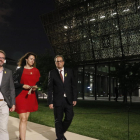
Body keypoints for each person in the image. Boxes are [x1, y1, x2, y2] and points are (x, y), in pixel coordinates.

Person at [48, 55, 77, 140]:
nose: (59, 62)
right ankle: (60, 137)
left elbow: (74, 86)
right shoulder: (52, 73)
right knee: (58, 120)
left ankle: (60, 133)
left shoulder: (70, 71)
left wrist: (75, 98)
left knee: (69, 117)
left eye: (60, 61)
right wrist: (50, 101)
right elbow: (50, 89)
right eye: (57, 61)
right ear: (55, 63)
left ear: (63, 62)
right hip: (57, 100)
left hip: (68, 100)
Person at [13, 52, 40, 140]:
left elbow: (37, 83)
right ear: (26, 59)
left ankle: (21, 138)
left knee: (25, 119)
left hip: (31, 96)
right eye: (31, 59)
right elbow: (13, 82)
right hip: (21, 95)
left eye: (34, 59)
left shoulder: (36, 70)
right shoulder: (20, 70)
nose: (32, 61)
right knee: (23, 118)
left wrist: (35, 87)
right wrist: (22, 85)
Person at [0, 50, 15, 140]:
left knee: (3, 128)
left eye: (2, 58)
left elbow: (12, 88)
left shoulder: (8, 72)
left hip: (4, 104)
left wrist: (12, 103)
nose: (0, 59)